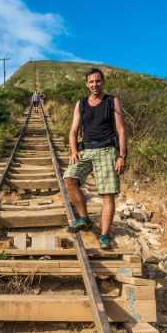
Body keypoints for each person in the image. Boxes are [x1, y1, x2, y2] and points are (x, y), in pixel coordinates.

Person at [63, 68, 126, 249]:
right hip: (86, 150)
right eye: (91, 82)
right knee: (69, 179)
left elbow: (121, 129)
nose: (94, 85)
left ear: (102, 82)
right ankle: (84, 218)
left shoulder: (111, 101)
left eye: (97, 81)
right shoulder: (81, 104)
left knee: (107, 194)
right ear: (86, 84)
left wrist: (121, 155)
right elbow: (73, 130)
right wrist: (73, 151)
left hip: (107, 150)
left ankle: (105, 235)